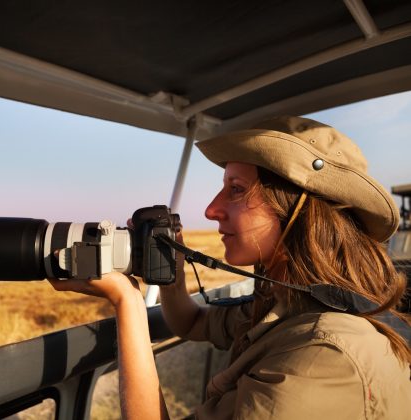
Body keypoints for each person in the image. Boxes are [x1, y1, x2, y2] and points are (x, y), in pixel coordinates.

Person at [50, 116, 411, 419]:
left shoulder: (323, 359)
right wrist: (170, 274)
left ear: (300, 213)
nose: (210, 209)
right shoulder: (286, 298)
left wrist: (127, 302)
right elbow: (193, 322)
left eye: (236, 189)